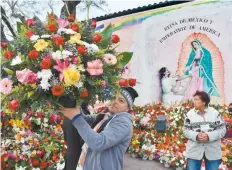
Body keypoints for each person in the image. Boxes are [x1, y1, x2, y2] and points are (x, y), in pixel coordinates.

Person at [60, 87, 139, 170]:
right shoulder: (106, 115)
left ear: (128, 108)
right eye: (114, 97)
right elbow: (86, 120)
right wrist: (73, 102)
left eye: (121, 100)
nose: (115, 101)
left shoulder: (123, 123)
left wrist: (76, 117)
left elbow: (99, 142)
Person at [183, 91, 226, 170]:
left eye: (196, 99)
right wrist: (196, 136)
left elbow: (222, 130)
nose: (194, 102)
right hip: (194, 151)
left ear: (204, 102)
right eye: (194, 99)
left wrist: (209, 136)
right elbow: (186, 131)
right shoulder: (189, 114)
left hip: (213, 151)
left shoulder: (215, 114)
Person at [62, 102, 90, 170]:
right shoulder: (83, 115)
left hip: (70, 152)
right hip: (78, 152)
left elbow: (65, 135)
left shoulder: (67, 115)